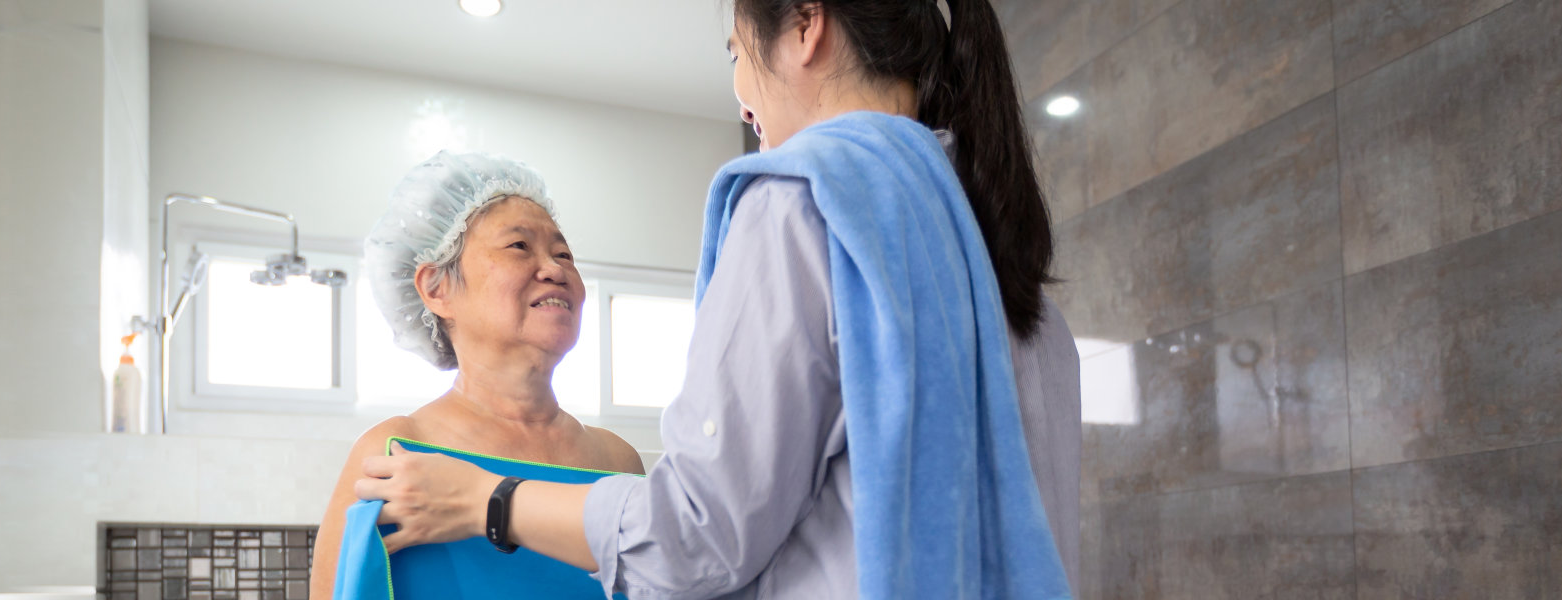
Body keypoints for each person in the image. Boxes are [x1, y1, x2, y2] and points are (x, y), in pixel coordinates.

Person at [353, 1, 1081, 598]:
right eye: (519, 247)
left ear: (805, 24)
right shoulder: (995, 253)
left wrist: (491, 503)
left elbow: (693, 535)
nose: (739, 90)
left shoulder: (801, 205)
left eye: (735, 50)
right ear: (434, 287)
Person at [310, 151, 646, 599]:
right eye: (519, 246)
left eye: (563, 253)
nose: (555, 269)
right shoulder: (394, 454)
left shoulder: (617, 461)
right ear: (437, 288)